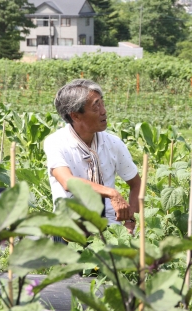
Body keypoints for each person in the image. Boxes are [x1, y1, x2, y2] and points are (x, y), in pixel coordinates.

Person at [44, 79, 141, 232]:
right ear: (75, 116)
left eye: (102, 103)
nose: (103, 111)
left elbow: (136, 184)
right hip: (71, 226)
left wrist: (130, 220)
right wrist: (111, 192)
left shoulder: (113, 143)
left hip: (110, 225)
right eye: (96, 106)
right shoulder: (56, 142)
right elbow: (67, 182)